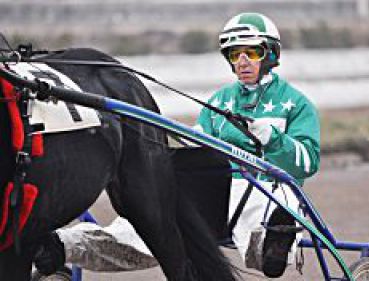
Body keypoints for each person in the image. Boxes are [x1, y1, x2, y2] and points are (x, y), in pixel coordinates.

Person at [33, 12, 320, 278]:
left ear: (271, 54)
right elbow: (202, 143)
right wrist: (188, 136)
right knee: (151, 213)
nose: (242, 61)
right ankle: (64, 245)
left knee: (266, 198)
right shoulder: (220, 100)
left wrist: (274, 139)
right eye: (235, 54)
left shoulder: (296, 104)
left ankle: (274, 242)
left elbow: (307, 162)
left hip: (264, 191)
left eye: (252, 52)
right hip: (213, 196)